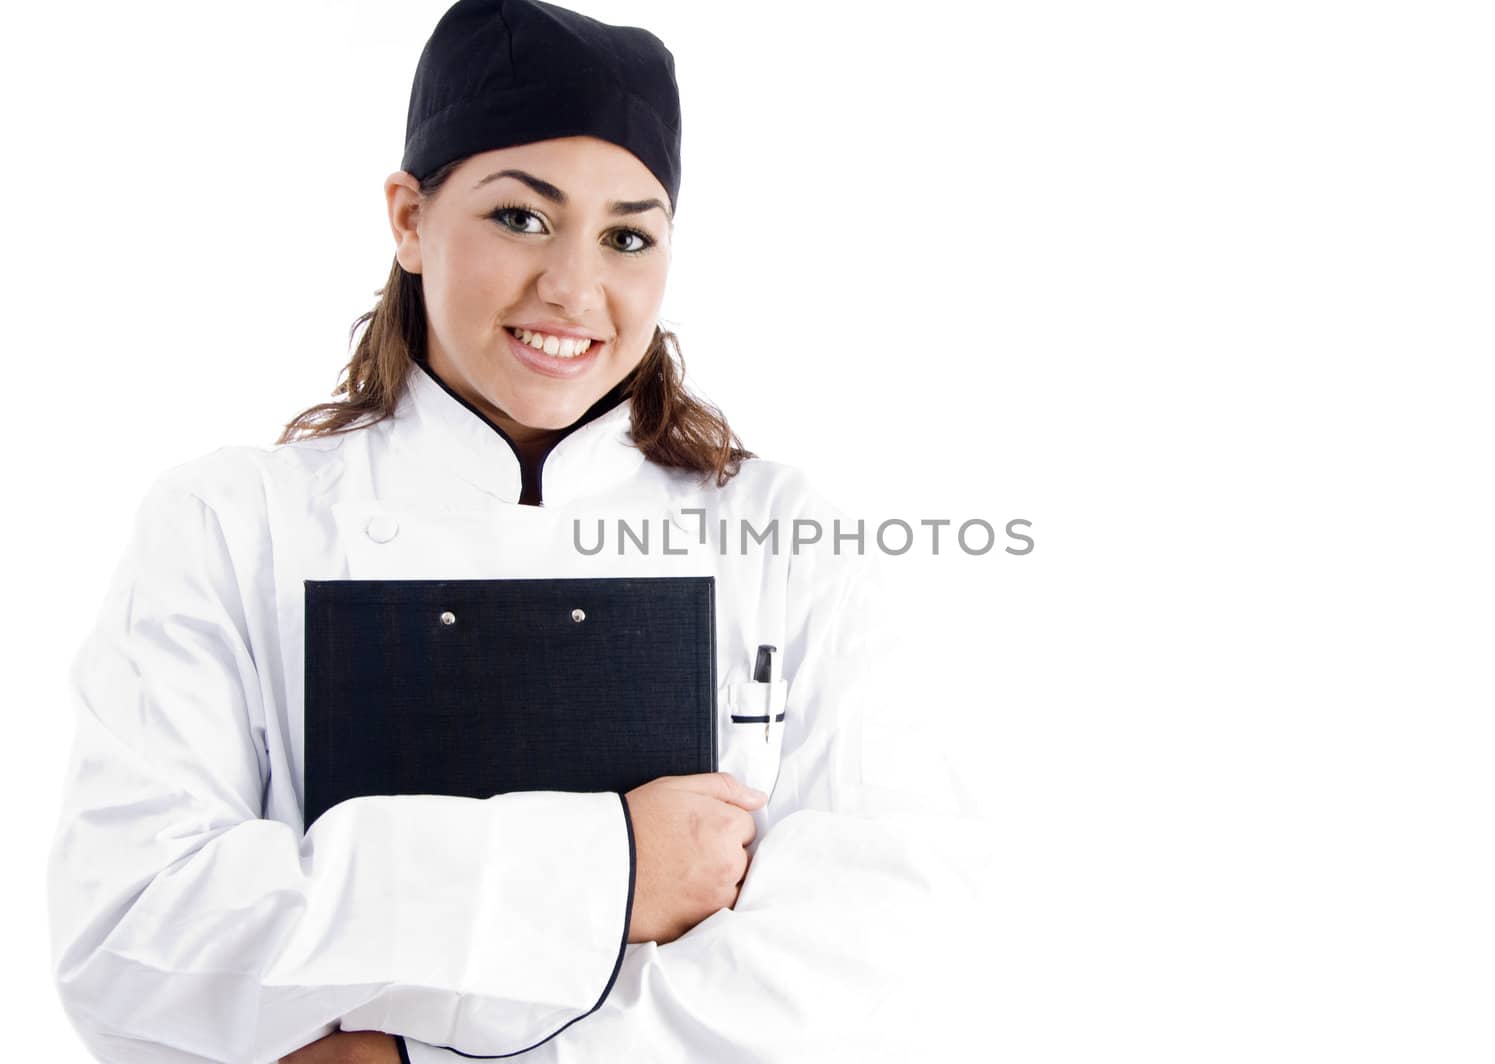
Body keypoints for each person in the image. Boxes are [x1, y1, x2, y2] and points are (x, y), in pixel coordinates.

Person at [46, 2, 975, 1061]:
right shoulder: (230, 523)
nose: (574, 289)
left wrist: (400, 1048)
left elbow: (876, 945)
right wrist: (617, 864)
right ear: (407, 217)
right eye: (521, 218)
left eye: (628, 235)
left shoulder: (780, 532)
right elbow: (135, 935)